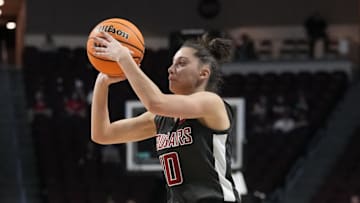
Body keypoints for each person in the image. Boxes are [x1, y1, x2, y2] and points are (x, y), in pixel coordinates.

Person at [90, 31, 241, 203]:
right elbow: (102, 134)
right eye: (172, 63)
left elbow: (155, 102)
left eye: (181, 63)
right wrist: (102, 83)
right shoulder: (161, 118)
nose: (171, 69)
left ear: (203, 74)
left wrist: (124, 58)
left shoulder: (211, 103)